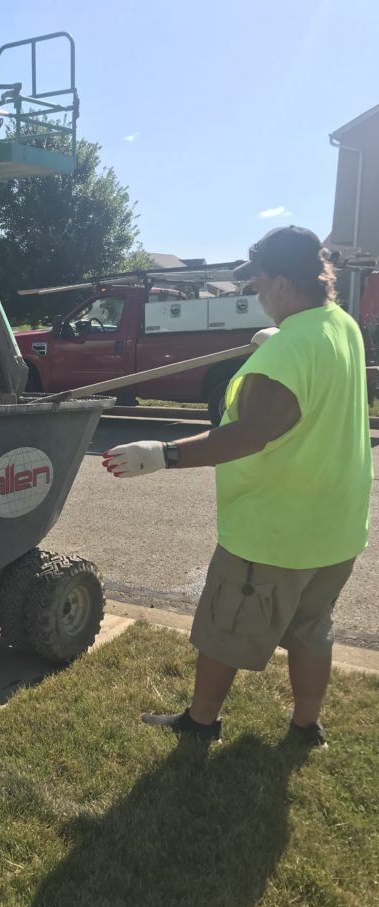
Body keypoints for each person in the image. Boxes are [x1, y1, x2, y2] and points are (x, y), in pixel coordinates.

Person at [103, 226, 373, 747]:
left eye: (258, 281)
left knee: (225, 629)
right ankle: (306, 727)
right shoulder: (340, 325)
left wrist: (163, 454)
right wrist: (284, 341)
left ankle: (201, 723)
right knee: (312, 628)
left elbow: (249, 435)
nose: (254, 292)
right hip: (335, 529)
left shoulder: (289, 350)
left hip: (275, 533)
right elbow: (311, 387)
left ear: (284, 282)